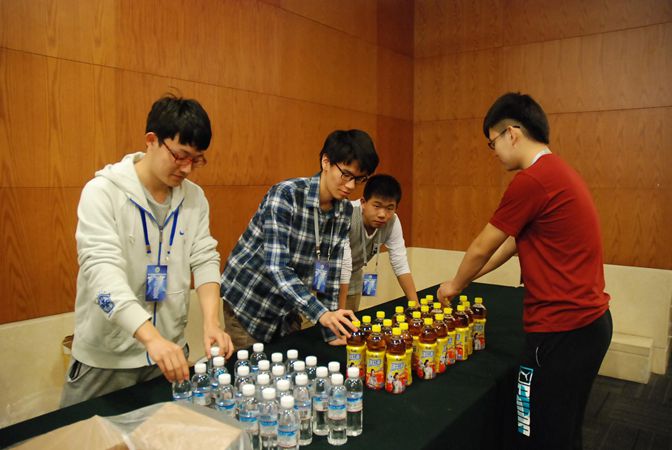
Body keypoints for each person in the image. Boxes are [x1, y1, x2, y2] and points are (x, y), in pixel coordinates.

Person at [437, 92, 612, 449]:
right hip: (589, 326)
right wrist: (469, 279)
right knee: (563, 430)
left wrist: (454, 285)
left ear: (512, 134)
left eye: (492, 143)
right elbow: (510, 245)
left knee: (537, 431)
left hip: (562, 331)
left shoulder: (533, 180)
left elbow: (482, 246)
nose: (494, 152)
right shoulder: (558, 173)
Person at [61, 95, 233, 407]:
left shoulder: (194, 198)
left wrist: (212, 321)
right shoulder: (103, 193)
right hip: (107, 360)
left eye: (197, 160)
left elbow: (205, 257)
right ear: (151, 141)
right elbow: (101, 275)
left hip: (168, 355)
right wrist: (151, 338)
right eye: (180, 156)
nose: (187, 169)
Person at [220, 129, 379, 348]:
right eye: (346, 175)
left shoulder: (344, 212)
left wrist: (331, 330)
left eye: (359, 179)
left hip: (288, 309)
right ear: (326, 162)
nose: (351, 186)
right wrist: (321, 314)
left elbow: (330, 273)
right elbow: (277, 267)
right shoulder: (286, 195)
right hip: (249, 302)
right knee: (253, 366)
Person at [339, 175, 419, 316]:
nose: (382, 214)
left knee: (348, 325)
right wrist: (340, 310)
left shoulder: (392, 222)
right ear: (363, 202)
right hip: (321, 279)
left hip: (352, 281)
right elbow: (343, 264)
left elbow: (400, 263)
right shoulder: (347, 214)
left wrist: (416, 306)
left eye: (390, 208)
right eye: (377, 206)